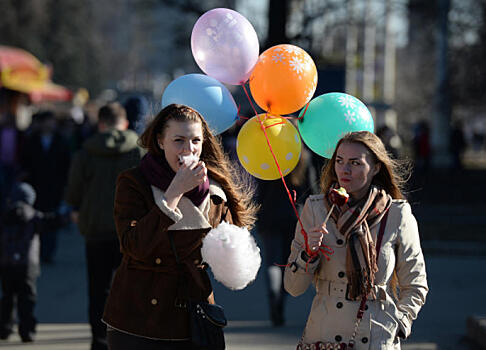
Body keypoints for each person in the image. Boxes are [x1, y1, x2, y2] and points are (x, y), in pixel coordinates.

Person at [102, 104, 257, 350]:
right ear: (160, 141)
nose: (189, 149)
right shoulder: (133, 183)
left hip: (194, 318)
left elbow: (230, 260)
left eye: (196, 140)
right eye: (178, 140)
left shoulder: (216, 190)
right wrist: (174, 192)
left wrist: (234, 253)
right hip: (138, 319)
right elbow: (133, 246)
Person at [284, 131, 428, 349]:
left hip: (376, 336)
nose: (345, 170)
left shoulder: (396, 214)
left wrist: (400, 323)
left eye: (355, 163)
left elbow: (416, 283)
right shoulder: (315, 209)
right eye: (339, 161)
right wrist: (308, 253)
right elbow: (293, 287)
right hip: (325, 336)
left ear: (376, 168)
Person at [65, 102, 143, 350]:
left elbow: (74, 191)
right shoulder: (138, 151)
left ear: (100, 124)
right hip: (131, 231)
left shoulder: (85, 153)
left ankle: (99, 340)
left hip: (96, 231)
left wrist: (76, 210)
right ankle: (129, 338)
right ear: (126, 123)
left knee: (99, 291)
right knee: (131, 288)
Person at [256, 146, 317, 326]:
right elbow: (312, 191)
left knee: (272, 261)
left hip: (270, 215)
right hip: (294, 217)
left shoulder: (270, 157)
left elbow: (260, 190)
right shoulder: (304, 157)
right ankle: (281, 301)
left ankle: (274, 296)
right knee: (287, 262)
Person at [21, 111, 71, 263]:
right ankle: (37, 251)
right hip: (35, 187)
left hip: (54, 187)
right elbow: (25, 163)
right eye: (47, 121)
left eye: (52, 121)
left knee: (52, 220)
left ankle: (48, 253)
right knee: (36, 220)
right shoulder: (31, 141)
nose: (50, 124)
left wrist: (65, 185)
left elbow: (66, 165)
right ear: (41, 123)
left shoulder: (61, 141)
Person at [0, 182, 43, 342]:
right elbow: (51, 222)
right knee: (27, 299)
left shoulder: (5, 215)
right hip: (27, 265)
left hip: (6, 264)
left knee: (7, 297)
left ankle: (4, 328)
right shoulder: (34, 216)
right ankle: (27, 331)